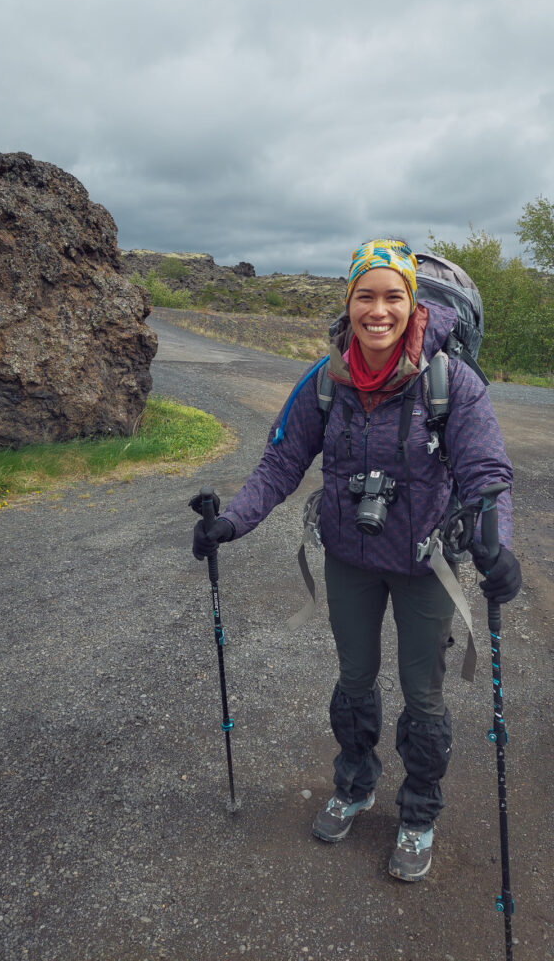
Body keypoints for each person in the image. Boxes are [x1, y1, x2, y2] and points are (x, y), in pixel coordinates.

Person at [191, 238, 521, 882]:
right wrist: (232, 521)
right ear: (349, 303)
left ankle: (419, 813)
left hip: (428, 565)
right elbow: (282, 461)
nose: (379, 310)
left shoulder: (451, 382)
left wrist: (496, 547)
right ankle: (355, 782)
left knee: (424, 700)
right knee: (354, 681)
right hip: (349, 557)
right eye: (365, 296)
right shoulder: (325, 379)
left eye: (392, 296)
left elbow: (487, 475)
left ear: (411, 302)